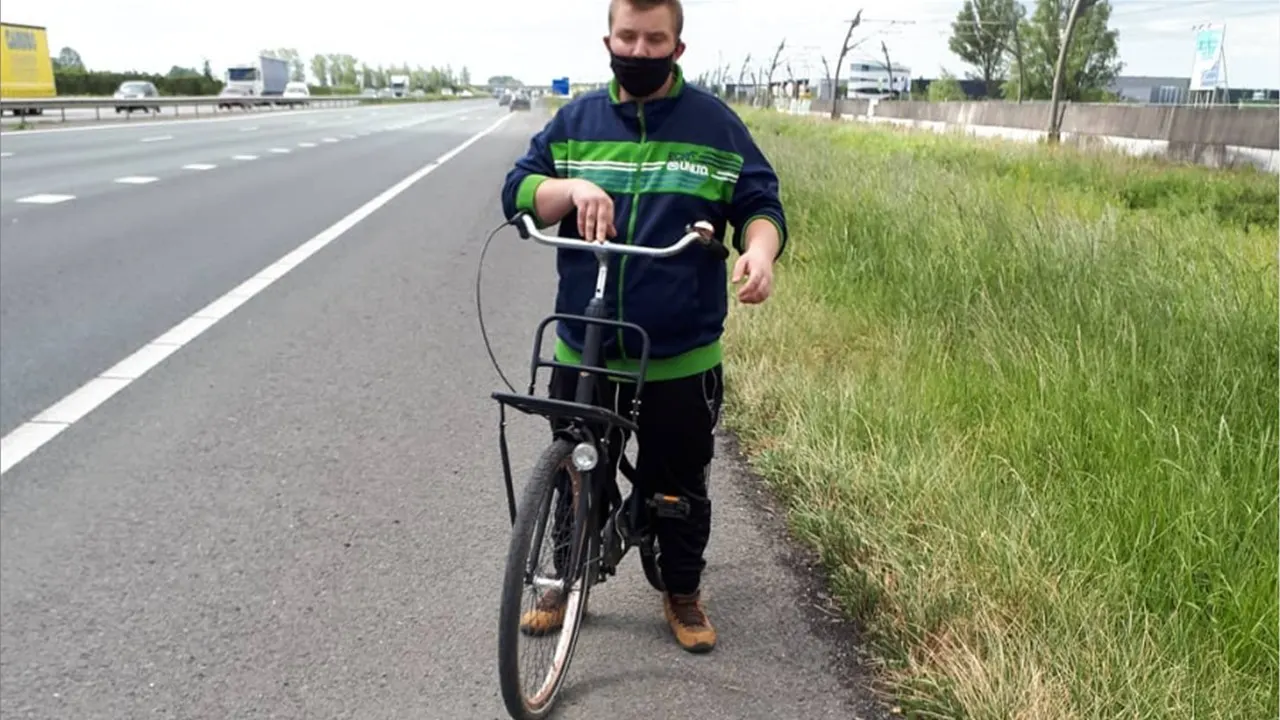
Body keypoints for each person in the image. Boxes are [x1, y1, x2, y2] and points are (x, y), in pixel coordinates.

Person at [499, 0, 788, 654]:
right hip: (585, 343)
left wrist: (760, 251)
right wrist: (568, 191)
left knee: (677, 485)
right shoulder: (574, 123)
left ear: (677, 49)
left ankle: (680, 590)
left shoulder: (715, 126)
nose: (639, 48)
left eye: (654, 39)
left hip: (679, 356)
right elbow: (518, 190)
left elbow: (760, 204)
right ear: (609, 40)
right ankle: (563, 577)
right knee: (575, 468)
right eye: (627, 36)